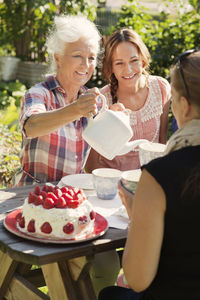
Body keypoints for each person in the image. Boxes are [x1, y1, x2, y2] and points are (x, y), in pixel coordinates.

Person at [12, 14, 120, 296]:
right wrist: (75, 110)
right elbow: (32, 126)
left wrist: (116, 123)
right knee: (65, 270)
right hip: (32, 200)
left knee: (108, 260)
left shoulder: (89, 100)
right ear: (58, 58)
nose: (86, 65)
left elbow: (105, 148)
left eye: (91, 57)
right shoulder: (39, 94)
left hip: (72, 203)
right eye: (78, 56)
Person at [98, 49, 200, 300]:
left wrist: (136, 216)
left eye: (173, 100)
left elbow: (137, 279)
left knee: (109, 295)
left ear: (184, 107)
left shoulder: (159, 176)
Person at [85, 28, 171, 172]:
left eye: (134, 60)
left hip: (148, 180)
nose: (128, 70)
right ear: (111, 66)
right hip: (113, 183)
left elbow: (162, 144)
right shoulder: (101, 100)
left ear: (143, 60)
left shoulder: (161, 88)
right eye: (119, 63)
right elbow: (91, 165)